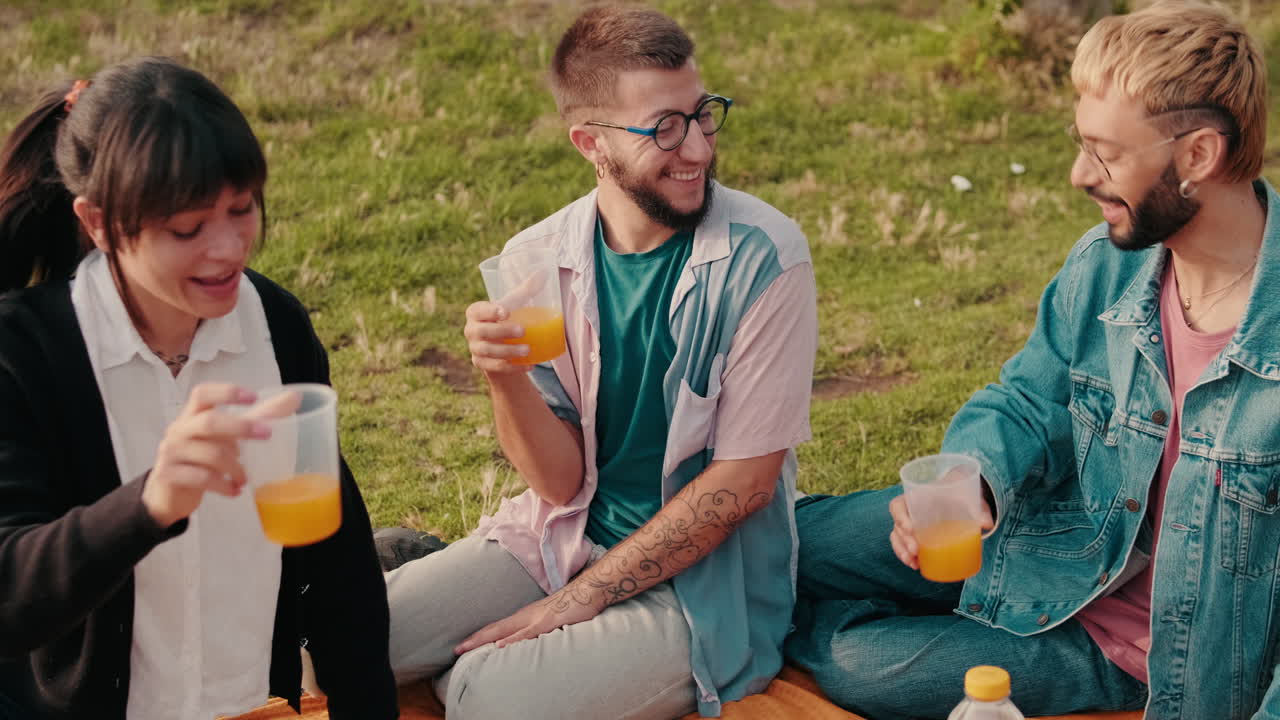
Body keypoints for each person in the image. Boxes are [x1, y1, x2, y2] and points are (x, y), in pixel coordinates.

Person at [785, 2, 1278, 718]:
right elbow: (1027, 400)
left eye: (1106, 152)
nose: (1080, 174)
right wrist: (976, 481)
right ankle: (763, 598)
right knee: (790, 541)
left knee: (865, 666)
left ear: (1197, 155)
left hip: (1135, 652)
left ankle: (758, 624)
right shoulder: (1105, 267)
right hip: (1057, 546)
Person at [380, 6, 817, 719]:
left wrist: (574, 605)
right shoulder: (536, 261)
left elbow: (742, 487)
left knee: (486, 700)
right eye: (664, 129)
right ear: (590, 142)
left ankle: (486, 661)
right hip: (562, 537)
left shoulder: (766, 258)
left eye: (702, 115)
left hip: (700, 586)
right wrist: (503, 377)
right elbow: (558, 483)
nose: (699, 149)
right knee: (335, 643)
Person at [0, 57, 396, 719]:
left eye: (241, 212)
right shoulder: (26, 353)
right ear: (98, 223)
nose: (227, 250)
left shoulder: (275, 326)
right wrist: (150, 503)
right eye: (187, 229)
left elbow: (338, 569)